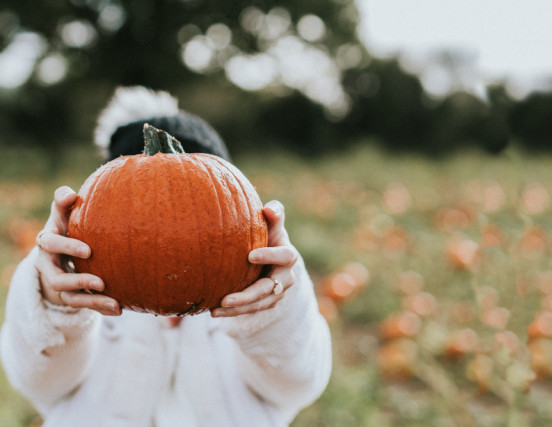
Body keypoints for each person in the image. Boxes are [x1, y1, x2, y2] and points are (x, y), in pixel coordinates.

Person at [0, 86, 332, 426]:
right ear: (96, 214)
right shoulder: (88, 294)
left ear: (240, 212)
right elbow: (34, 380)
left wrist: (277, 309)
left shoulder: (246, 299)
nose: (169, 233)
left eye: (201, 211)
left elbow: (299, 384)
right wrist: (51, 300)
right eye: (143, 214)